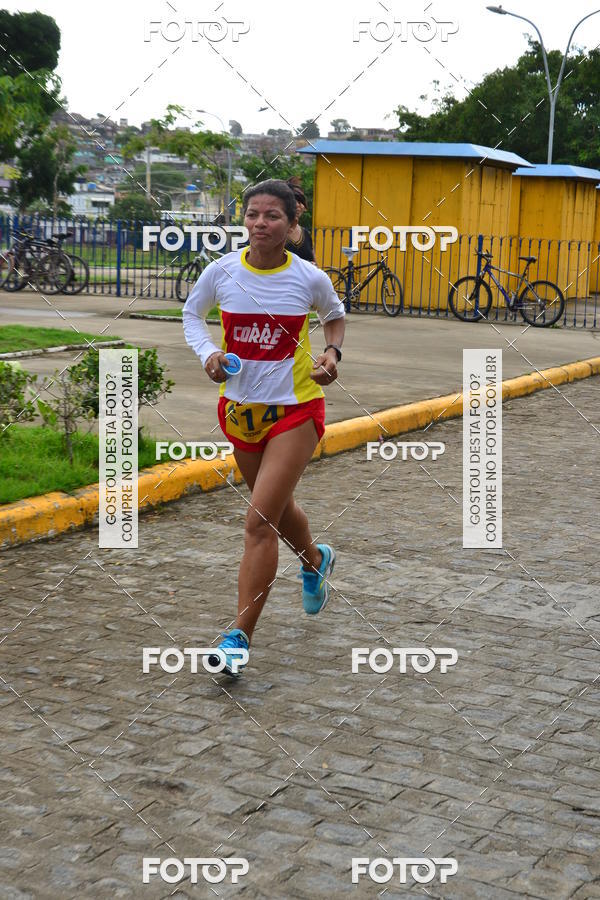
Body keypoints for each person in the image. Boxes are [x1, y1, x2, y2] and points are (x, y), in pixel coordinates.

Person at [182, 180, 345, 677]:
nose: (259, 224)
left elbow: (334, 317)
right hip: (238, 411)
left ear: (292, 224)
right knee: (275, 510)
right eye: (252, 214)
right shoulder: (222, 270)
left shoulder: (309, 277)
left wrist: (332, 353)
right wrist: (208, 353)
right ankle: (316, 560)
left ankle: (237, 640)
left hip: (296, 409)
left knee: (258, 523)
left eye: (272, 215)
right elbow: (192, 314)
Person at [285, 180, 316, 262]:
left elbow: (314, 263)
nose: (298, 205)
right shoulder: (274, 232)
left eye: (300, 201)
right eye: (294, 201)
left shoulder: (306, 234)